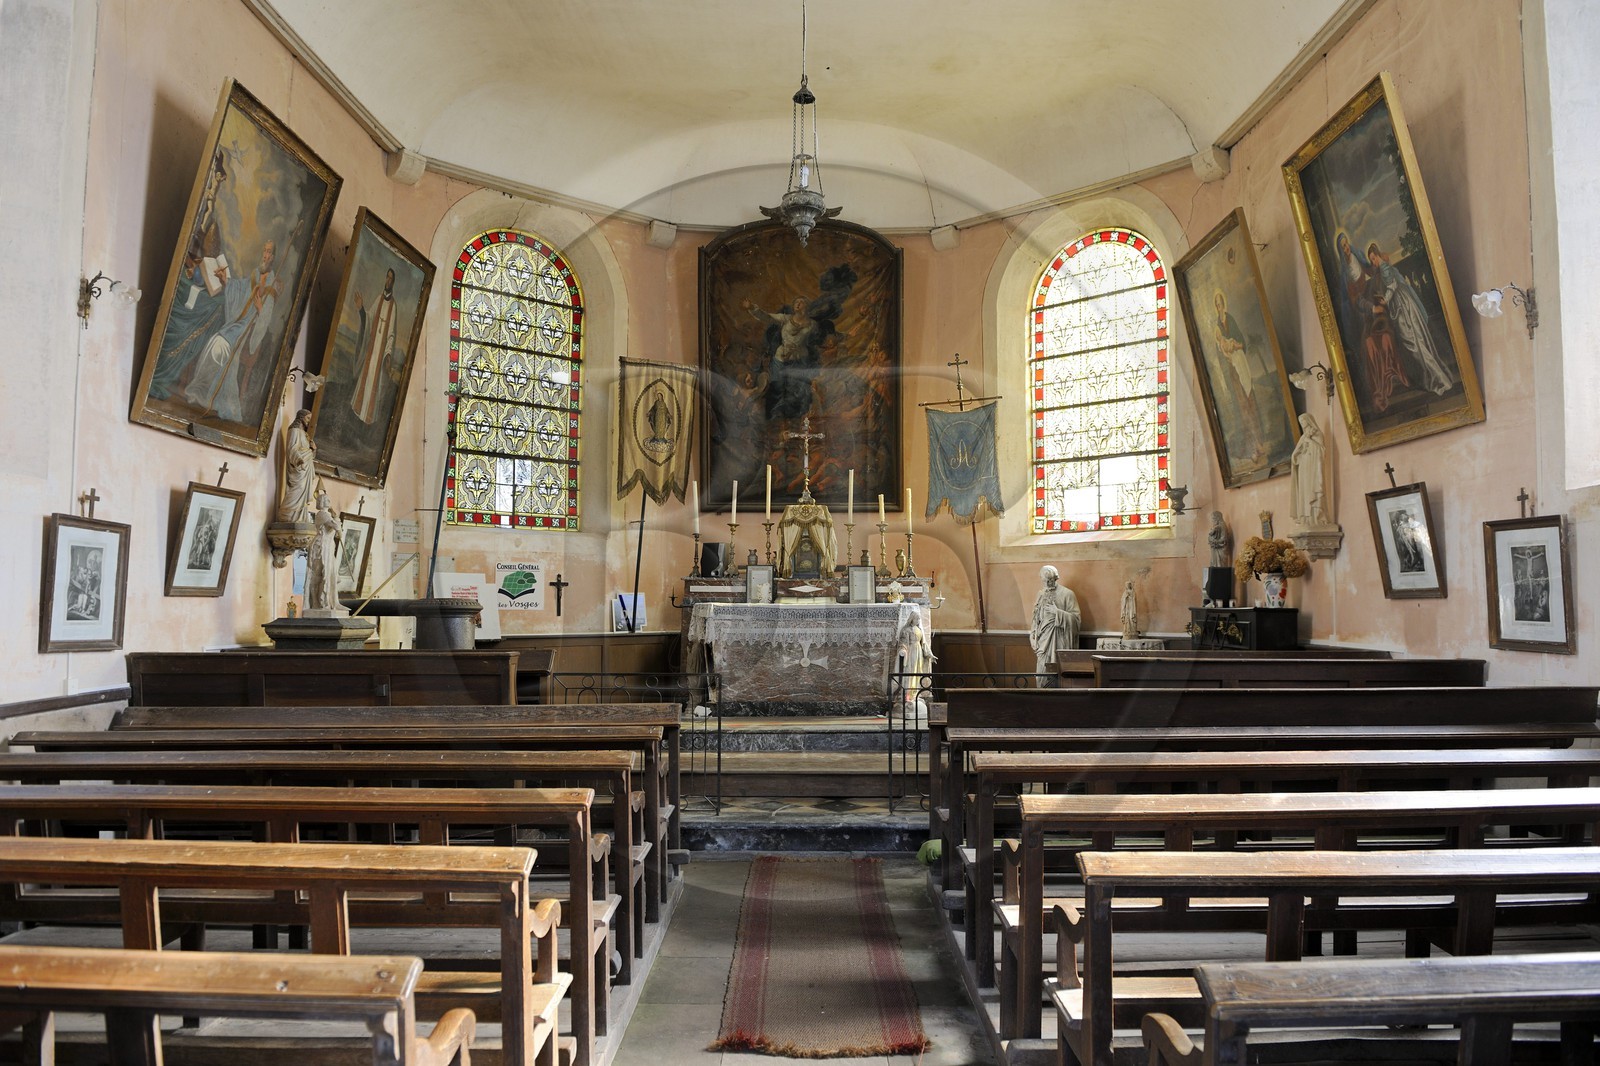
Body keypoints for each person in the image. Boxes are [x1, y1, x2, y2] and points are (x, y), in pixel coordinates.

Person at [180, 239, 282, 422]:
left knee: (219, 345)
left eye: (268, 252)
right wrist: (224, 280)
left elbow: (265, 320)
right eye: (264, 251)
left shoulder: (272, 285)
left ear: (273, 257)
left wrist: (259, 309)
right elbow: (239, 287)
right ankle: (203, 391)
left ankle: (211, 395)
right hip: (236, 324)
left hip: (246, 329)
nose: (265, 255)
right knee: (214, 341)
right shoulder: (254, 275)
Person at [1366, 242, 1456, 396]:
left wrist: (1385, 300)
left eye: (1373, 258)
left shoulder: (1385, 268)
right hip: (1403, 304)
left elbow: (1392, 286)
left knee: (1415, 344)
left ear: (1378, 255)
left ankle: (1440, 380)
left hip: (1403, 307)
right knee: (1417, 344)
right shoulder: (1384, 268)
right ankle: (1436, 379)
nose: (1373, 262)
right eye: (1371, 260)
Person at [1336, 232, 1409, 413]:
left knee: (1385, 338)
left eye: (1347, 245)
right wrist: (1371, 308)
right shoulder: (1345, 274)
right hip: (1367, 314)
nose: (1346, 249)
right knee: (1368, 343)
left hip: (1382, 313)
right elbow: (1356, 299)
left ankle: (1393, 373)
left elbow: (1378, 277)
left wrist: (1380, 306)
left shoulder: (1367, 267)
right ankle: (1380, 383)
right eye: (1342, 247)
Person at [1210, 290, 1263, 462]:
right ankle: (1250, 446)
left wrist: (1235, 345)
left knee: (1249, 400)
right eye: (1216, 304)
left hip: (1240, 366)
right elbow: (1220, 354)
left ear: (1224, 304)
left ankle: (1259, 443)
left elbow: (1241, 342)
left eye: (1221, 303)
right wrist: (1225, 349)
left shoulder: (1230, 319)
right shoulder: (1217, 328)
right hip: (1232, 372)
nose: (1219, 307)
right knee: (1241, 406)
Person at [349, 267, 400, 423]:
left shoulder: (394, 306)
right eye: (387, 277)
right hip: (372, 349)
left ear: (393, 283)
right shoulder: (378, 299)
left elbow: (390, 334)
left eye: (391, 279)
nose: (388, 281)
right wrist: (361, 309)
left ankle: (368, 417)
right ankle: (357, 410)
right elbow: (369, 320)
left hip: (380, 352)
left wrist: (388, 354)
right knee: (365, 378)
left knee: (374, 383)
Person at [1029, 565, 1080, 686]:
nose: (1047, 583)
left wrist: (1057, 613)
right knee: (1042, 672)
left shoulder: (1068, 594)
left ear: (1055, 578)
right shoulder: (1040, 594)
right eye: (1044, 581)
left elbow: (1076, 620)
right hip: (1043, 641)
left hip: (1059, 640)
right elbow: (1035, 618)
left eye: (1050, 580)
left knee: (1057, 675)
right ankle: (1042, 696)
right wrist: (1032, 634)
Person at [304, 487, 341, 613]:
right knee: (318, 575)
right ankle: (316, 602)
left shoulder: (328, 515)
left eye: (328, 499)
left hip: (328, 547)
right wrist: (337, 521)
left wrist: (337, 523)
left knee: (329, 573)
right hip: (320, 547)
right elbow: (335, 526)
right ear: (322, 502)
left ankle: (328, 601)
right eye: (326, 499)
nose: (328, 501)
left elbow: (336, 533)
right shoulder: (322, 514)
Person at [277, 408, 316, 524]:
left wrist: (313, 449)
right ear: (301, 417)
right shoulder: (294, 431)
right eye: (308, 418)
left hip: (306, 467)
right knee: (298, 487)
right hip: (298, 467)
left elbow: (309, 453)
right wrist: (299, 459)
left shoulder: (305, 434)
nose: (309, 421)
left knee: (302, 490)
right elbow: (291, 448)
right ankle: (286, 514)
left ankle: (299, 517)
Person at [1290, 412, 1330, 526]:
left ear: (1308, 421)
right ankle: (1306, 519)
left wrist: (1309, 441)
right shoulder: (1303, 437)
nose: (1302, 424)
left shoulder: (1317, 434)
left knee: (1313, 491)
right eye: (1300, 422)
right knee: (1305, 492)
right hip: (1303, 468)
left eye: (1303, 421)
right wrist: (1296, 455)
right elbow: (1294, 456)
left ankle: (1316, 518)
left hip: (1313, 468)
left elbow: (1321, 451)